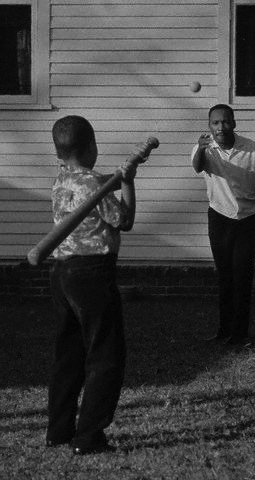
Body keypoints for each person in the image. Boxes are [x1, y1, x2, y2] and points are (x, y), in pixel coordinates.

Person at [46, 115, 142, 455]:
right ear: (91, 146)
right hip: (92, 274)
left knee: (68, 354)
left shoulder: (62, 179)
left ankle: (59, 431)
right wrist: (128, 184)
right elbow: (124, 220)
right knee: (105, 353)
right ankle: (88, 437)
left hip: (62, 274)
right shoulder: (89, 184)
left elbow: (97, 183)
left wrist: (120, 174)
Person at [191, 104, 255, 346]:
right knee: (225, 276)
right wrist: (201, 149)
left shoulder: (251, 148)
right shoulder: (204, 148)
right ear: (209, 126)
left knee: (242, 275)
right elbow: (197, 166)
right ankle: (224, 330)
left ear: (234, 123)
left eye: (225, 121)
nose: (221, 127)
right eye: (215, 123)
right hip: (219, 218)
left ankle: (240, 334)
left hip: (248, 219)